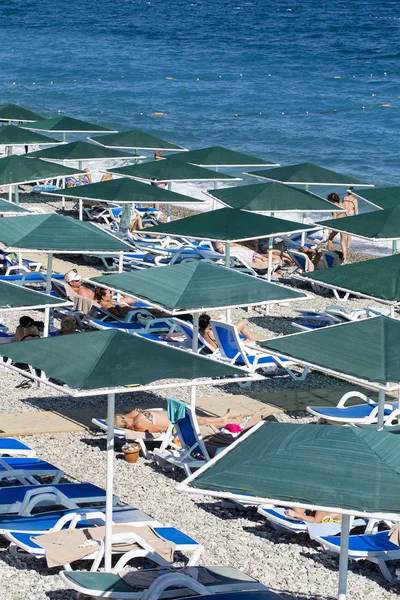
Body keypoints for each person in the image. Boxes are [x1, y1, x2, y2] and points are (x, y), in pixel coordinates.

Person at [115, 407, 240, 434]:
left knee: (198, 421)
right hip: (172, 415)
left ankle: (223, 421)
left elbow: (159, 431)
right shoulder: (134, 413)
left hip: (174, 422)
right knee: (198, 419)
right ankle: (223, 421)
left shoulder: (138, 425)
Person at [198, 313, 266, 350]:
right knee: (242, 324)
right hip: (228, 346)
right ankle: (262, 340)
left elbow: (205, 326)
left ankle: (255, 338)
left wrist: (214, 321)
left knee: (241, 325)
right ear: (209, 324)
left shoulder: (200, 331)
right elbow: (225, 339)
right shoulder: (211, 333)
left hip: (224, 344)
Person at [214, 241, 292, 271]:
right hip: (240, 254)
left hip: (247, 254)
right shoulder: (220, 242)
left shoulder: (225, 241)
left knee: (261, 259)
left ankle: (270, 264)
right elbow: (227, 246)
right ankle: (270, 264)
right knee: (261, 260)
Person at [326, 192, 348, 259]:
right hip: (344, 223)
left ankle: (329, 254)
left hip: (337, 224)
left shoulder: (334, 206)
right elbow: (346, 214)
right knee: (343, 242)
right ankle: (344, 259)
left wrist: (330, 228)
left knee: (330, 238)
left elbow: (335, 217)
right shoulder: (342, 204)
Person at [341, 187, 358, 257]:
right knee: (349, 232)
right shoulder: (354, 199)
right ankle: (348, 245)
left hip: (344, 214)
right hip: (350, 215)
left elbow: (342, 206)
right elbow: (356, 210)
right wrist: (358, 218)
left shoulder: (344, 198)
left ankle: (343, 244)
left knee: (343, 231)